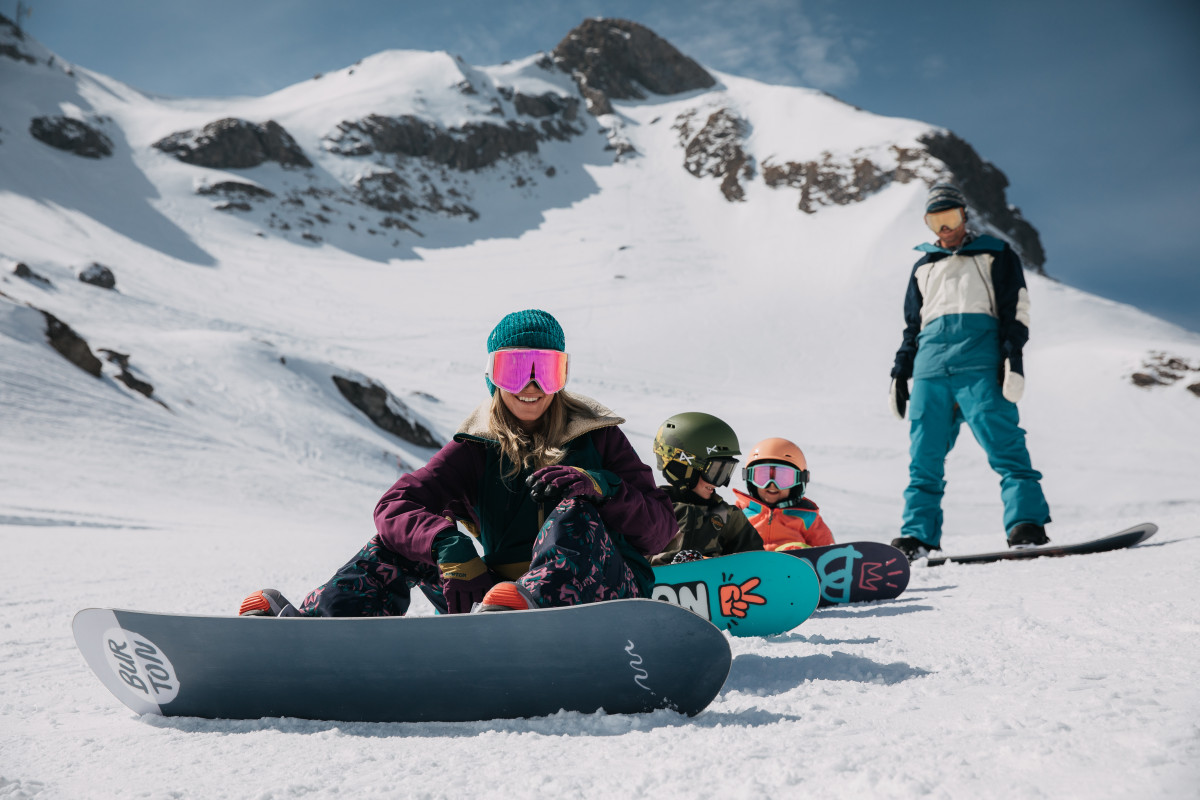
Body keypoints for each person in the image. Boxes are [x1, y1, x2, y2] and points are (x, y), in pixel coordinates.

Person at [239, 309, 676, 617]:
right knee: (395, 543)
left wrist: (603, 487)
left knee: (575, 511)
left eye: (545, 369)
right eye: (514, 369)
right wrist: (449, 546)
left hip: (609, 599)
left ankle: (533, 611)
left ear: (562, 377)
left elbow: (661, 530)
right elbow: (396, 505)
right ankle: (324, 627)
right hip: (502, 603)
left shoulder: (598, 437)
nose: (530, 385)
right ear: (492, 377)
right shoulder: (477, 448)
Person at [888, 183, 1051, 561]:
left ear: (964, 215)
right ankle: (918, 535)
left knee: (1004, 443)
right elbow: (913, 326)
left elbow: (1017, 310)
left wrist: (1013, 358)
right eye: (936, 221)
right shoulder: (923, 266)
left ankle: (1025, 522)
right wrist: (900, 372)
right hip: (930, 366)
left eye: (951, 218)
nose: (945, 229)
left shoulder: (995, 253)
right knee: (924, 455)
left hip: (978, 361)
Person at [647, 412, 764, 566]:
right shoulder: (648, 508)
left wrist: (714, 565)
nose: (718, 484)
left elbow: (757, 564)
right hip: (656, 588)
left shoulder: (728, 517)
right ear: (683, 466)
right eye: (715, 471)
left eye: (725, 472)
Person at [732, 437, 834, 550]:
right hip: (746, 565)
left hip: (791, 566)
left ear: (797, 482)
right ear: (750, 479)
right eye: (762, 477)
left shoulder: (808, 519)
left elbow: (827, 555)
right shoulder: (738, 515)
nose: (772, 484)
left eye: (783, 478)